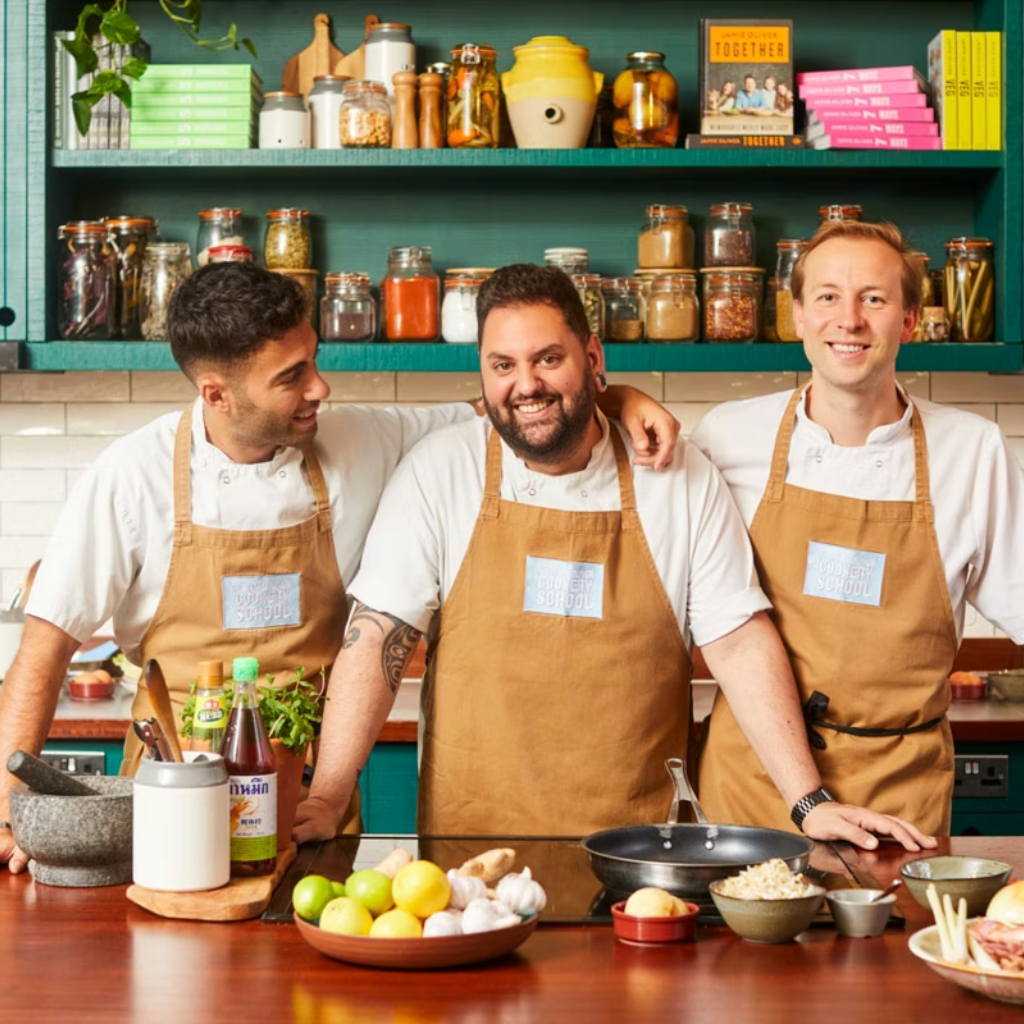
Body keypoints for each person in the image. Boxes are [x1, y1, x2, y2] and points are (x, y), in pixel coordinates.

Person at [0, 262, 678, 872]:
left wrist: (617, 396)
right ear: (217, 395)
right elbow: (44, 649)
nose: (320, 387)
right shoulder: (131, 478)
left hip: (311, 809)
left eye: (314, 360)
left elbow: (514, 408)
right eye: (291, 376)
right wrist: (6, 811)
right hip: (175, 798)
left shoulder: (361, 439)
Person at [295, 263, 932, 850]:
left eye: (549, 358)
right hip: (472, 849)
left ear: (593, 358)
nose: (526, 385)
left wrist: (807, 800)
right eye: (503, 365)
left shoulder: (675, 477)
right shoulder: (440, 470)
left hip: (643, 850)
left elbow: (738, 641)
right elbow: (380, 635)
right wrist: (326, 794)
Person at [691, 220, 1024, 836]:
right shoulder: (728, 437)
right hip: (753, 780)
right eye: (827, 297)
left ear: (911, 319)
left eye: (874, 297)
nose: (849, 319)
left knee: (903, 936)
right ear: (795, 316)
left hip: (899, 792)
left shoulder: (972, 451)